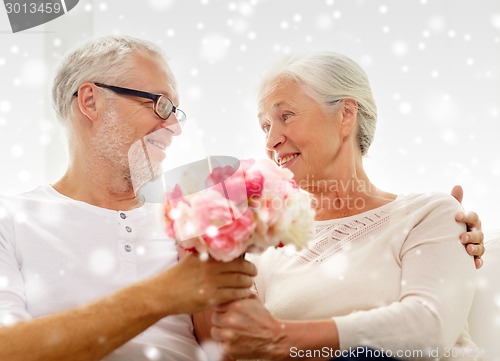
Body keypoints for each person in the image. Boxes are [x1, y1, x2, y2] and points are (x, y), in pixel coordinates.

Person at [198, 52, 485, 360]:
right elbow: (236, 348)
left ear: (346, 115)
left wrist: (282, 339)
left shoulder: (428, 213)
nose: (271, 141)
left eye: (286, 116)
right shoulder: (264, 247)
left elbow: (429, 330)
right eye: (265, 126)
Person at [0, 35, 257, 361]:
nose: (175, 127)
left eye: (176, 112)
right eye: (160, 104)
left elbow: (233, 349)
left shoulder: (188, 220)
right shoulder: (10, 217)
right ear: (90, 101)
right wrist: (163, 293)